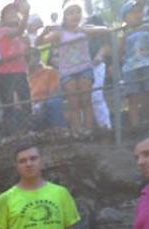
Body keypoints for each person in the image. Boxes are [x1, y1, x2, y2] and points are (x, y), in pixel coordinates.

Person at [38, 1, 108, 132]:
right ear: (64, 16)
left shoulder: (85, 29)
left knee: (86, 100)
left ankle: (89, 132)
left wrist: (85, 29)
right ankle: (78, 133)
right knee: (74, 103)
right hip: (67, 72)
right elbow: (39, 42)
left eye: (78, 12)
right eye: (71, 12)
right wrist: (44, 31)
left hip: (85, 69)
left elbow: (105, 30)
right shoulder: (60, 33)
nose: (75, 15)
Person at [119, 1, 149, 127]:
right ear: (125, 18)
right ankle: (136, 126)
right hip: (131, 69)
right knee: (133, 97)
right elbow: (119, 53)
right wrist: (125, 62)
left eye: (139, 11)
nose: (137, 15)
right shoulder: (125, 35)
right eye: (132, 13)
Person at [0, 0, 32, 135]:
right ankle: (11, 134)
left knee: (25, 102)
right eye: (9, 13)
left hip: (21, 72)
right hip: (6, 73)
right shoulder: (4, 31)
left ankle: (27, 130)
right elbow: (20, 30)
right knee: (8, 105)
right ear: (3, 17)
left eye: (14, 12)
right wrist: (27, 12)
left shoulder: (20, 37)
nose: (13, 15)